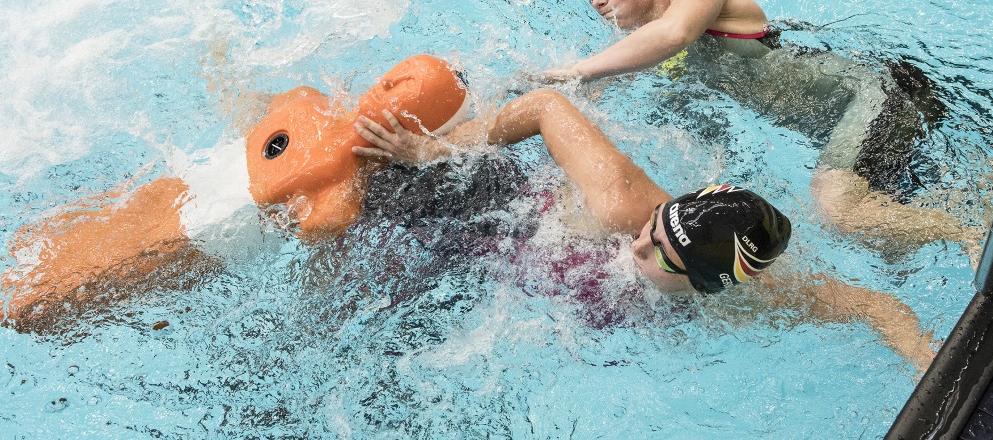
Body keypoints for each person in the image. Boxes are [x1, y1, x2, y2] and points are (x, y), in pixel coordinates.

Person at [353, 88, 939, 370]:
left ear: (707, 284)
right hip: (502, 213)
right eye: (655, 229)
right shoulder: (620, 204)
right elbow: (545, 106)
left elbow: (876, 307)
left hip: (539, 289)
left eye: (661, 254)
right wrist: (435, 151)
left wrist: (925, 364)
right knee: (350, 201)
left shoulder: (756, 296)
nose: (637, 242)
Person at [540, 0, 978, 250]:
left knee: (839, 209)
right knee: (891, 245)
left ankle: (974, 237)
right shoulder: (643, 53)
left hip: (866, 97)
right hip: (833, 133)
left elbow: (674, 35)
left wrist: (579, 70)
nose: (598, 0)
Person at [1, 55, 469, 328]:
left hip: (196, 178)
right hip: (212, 232)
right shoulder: (347, 176)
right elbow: (321, 226)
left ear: (384, 77)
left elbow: (253, 104)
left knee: (81, 230)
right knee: (57, 298)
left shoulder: (310, 100)